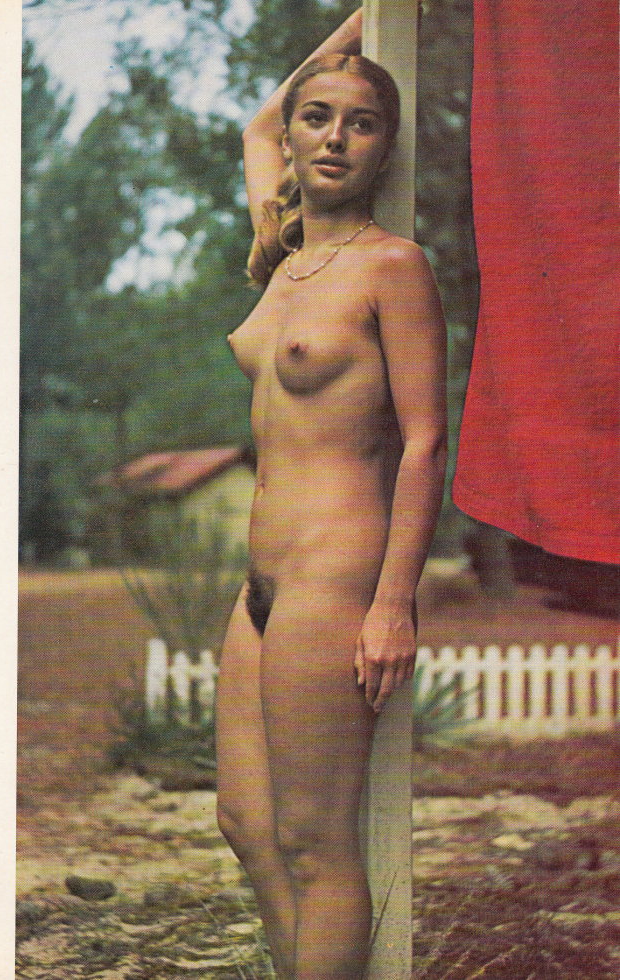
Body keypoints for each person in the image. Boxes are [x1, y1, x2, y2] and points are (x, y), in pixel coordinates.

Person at [215, 10, 447, 979]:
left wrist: (393, 602)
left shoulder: (391, 266)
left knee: (315, 841)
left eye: (362, 122)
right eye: (318, 118)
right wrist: (369, 13)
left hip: (335, 581)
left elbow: (425, 440)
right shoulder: (281, 255)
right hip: (260, 587)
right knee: (246, 825)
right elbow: (255, 125)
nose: (335, 138)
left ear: (385, 145)